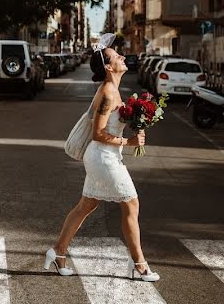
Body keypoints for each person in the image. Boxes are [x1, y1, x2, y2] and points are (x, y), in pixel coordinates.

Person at [46, 36, 157, 282]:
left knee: (86, 206)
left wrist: (138, 123)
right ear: (108, 66)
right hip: (102, 157)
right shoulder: (108, 92)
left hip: (107, 155)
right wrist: (128, 142)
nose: (121, 57)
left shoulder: (113, 90)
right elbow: (98, 133)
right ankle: (138, 263)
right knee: (131, 204)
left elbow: (112, 127)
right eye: (116, 56)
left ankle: (57, 252)